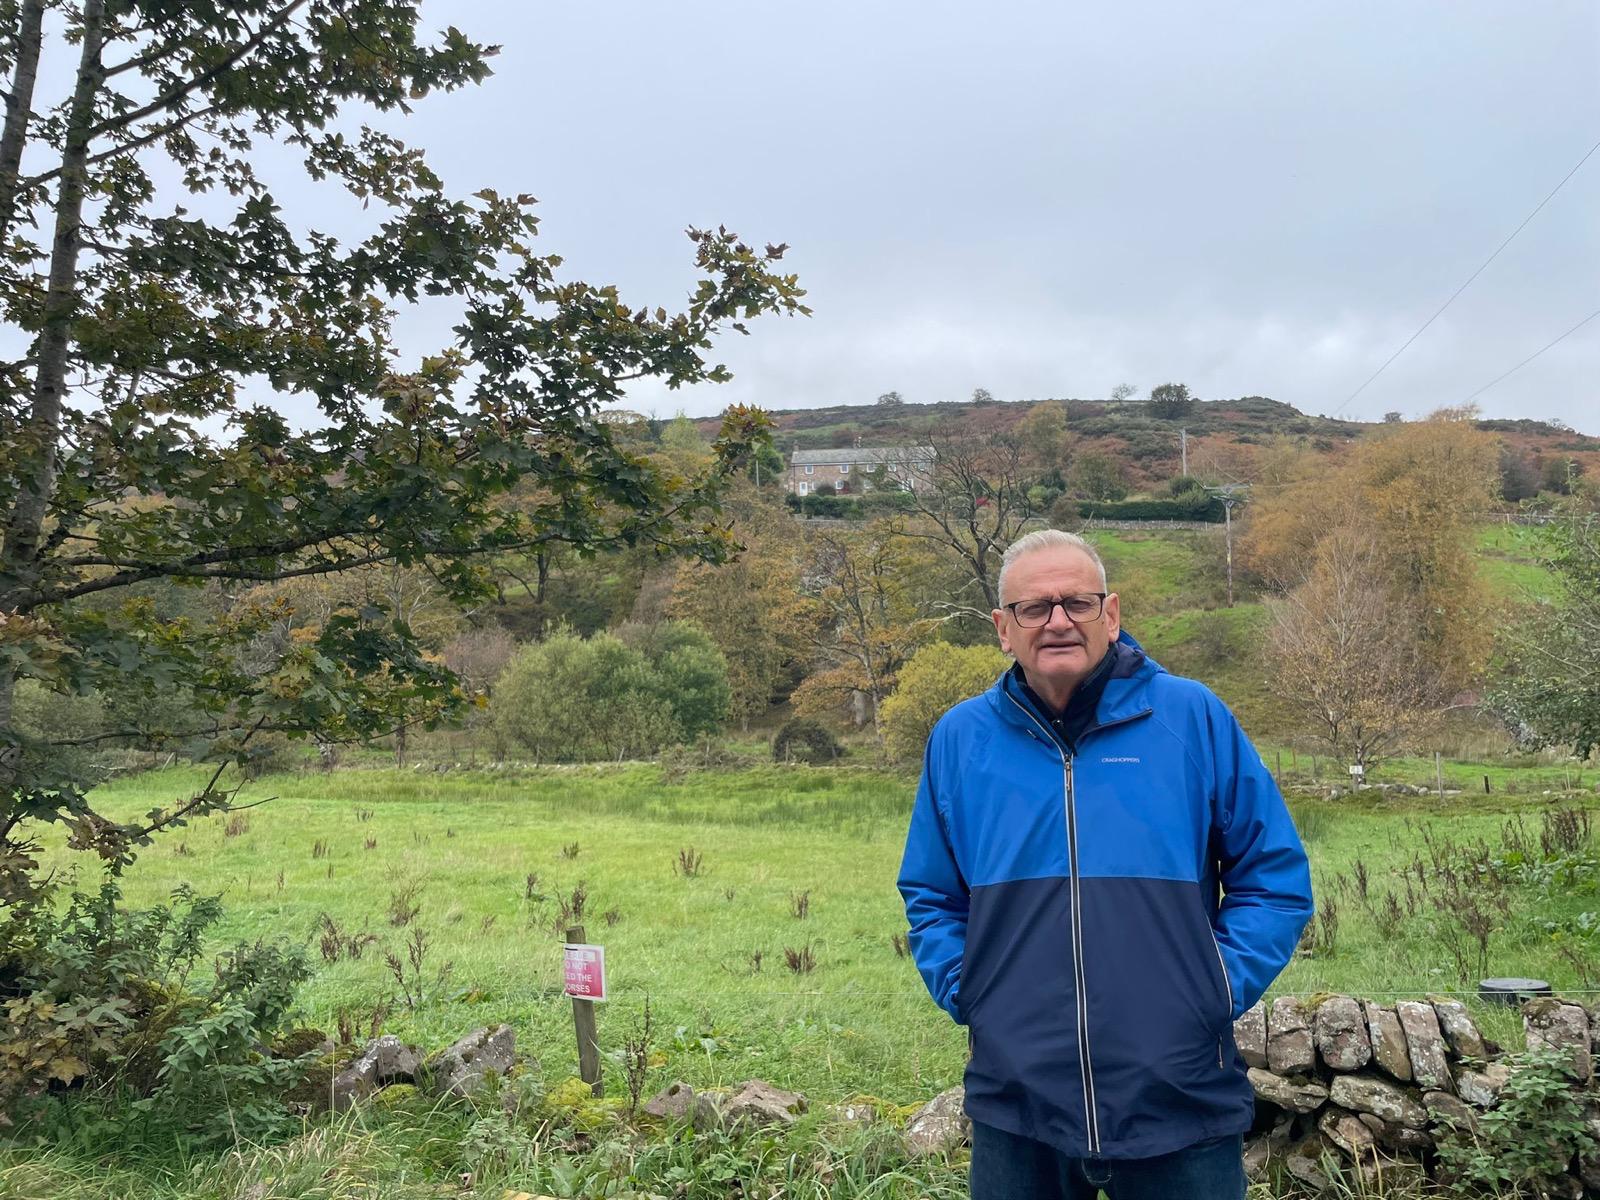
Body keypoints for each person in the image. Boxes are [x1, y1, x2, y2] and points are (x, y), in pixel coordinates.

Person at [897, 529, 1313, 1199]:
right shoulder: (959, 739)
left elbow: (1274, 879)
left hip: (1179, 1100)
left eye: (1078, 603)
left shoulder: (1192, 718)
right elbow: (932, 893)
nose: (1058, 621)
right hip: (1017, 1109)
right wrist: (972, 992)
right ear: (1003, 629)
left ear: (1111, 614)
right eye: (1035, 608)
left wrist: (1212, 987)